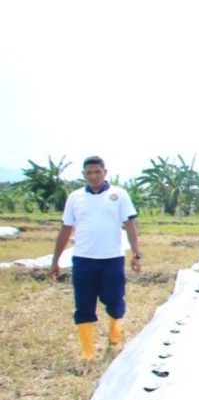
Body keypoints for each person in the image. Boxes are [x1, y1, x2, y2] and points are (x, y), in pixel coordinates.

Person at [48, 155, 142, 362]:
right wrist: (55, 261)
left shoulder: (119, 195)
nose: (93, 176)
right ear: (84, 175)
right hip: (83, 259)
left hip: (112, 258)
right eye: (89, 173)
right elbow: (65, 229)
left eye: (97, 172)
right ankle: (88, 351)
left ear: (105, 172)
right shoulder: (75, 198)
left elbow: (130, 225)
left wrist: (136, 253)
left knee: (114, 300)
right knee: (83, 304)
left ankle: (114, 331)